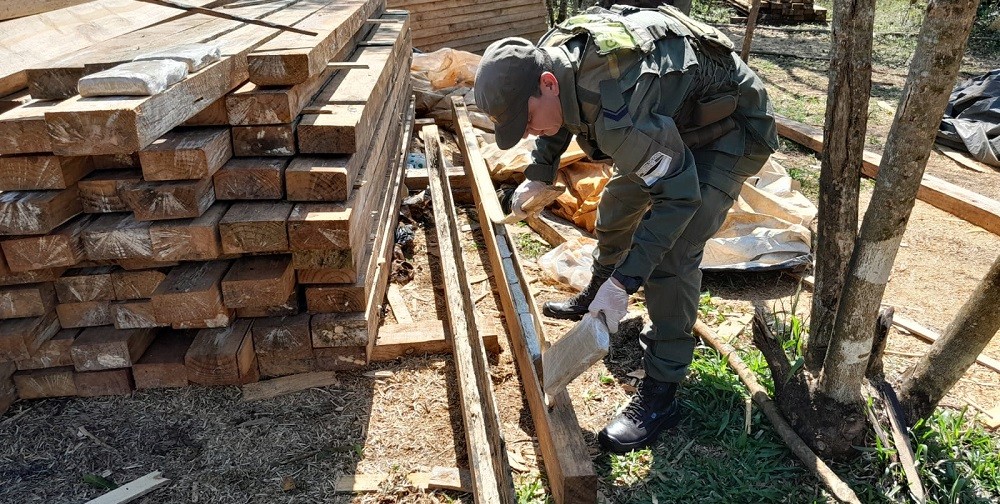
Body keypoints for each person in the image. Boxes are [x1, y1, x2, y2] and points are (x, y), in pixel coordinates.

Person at [474, 4, 778, 453]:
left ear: (546, 84)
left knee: (674, 252)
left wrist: (627, 281)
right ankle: (597, 289)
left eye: (527, 120)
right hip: (674, 117)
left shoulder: (618, 108)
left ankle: (662, 391)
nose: (529, 131)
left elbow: (678, 198)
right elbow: (560, 115)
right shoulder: (549, 58)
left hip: (730, 128)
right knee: (617, 204)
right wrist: (540, 170)